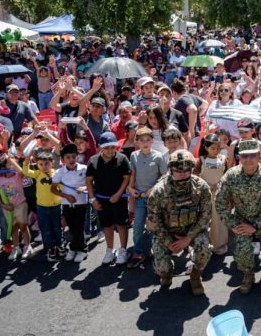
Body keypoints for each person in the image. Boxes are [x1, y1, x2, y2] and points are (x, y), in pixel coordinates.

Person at [215, 139, 261, 294]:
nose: (248, 159)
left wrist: (255, 226)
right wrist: (233, 224)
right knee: (242, 254)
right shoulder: (231, 176)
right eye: (244, 156)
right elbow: (220, 202)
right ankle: (248, 273)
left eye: (252, 155)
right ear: (239, 157)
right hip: (241, 222)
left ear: (259, 156)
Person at [147, 149, 212, 296]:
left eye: (187, 169)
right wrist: (169, 241)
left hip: (192, 231)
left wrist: (188, 238)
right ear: (170, 169)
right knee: (161, 267)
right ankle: (166, 273)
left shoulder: (201, 187)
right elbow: (154, 221)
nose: (182, 173)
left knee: (204, 249)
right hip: (167, 233)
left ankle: (195, 275)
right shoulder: (158, 191)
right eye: (178, 169)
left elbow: (206, 215)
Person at [86, 132, 132, 265]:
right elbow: (89, 181)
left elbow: (126, 178)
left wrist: (118, 194)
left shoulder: (122, 158)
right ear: (101, 147)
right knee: (107, 225)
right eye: (106, 148)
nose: (110, 150)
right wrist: (92, 199)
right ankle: (110, 250)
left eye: (113, 147)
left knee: (122, 225)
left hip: (120, 198)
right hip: (101, 199)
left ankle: (123, 250)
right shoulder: (93, 160)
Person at [127, 127, 168, 268]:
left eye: (148, 140)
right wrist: (131, 188)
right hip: (139, 197)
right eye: (142, 140)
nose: (145, 143)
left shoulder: (158, 156)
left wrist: (152, 189)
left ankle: (152, 249)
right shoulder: (134, 156)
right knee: (138, 226)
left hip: (154, 198)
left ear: (152, 141)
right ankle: (137, 252)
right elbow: (132, 174)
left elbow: (165, 176)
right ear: (137, 142)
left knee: (153, 225)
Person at [22, 150, 63, 262]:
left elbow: (63, 188)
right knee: (46, 229)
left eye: (47, 164)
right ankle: (50, 249)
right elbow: (25, 171)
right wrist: (27, 158)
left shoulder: (57, 173)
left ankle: (60, 246)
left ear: (52, 162)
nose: (44, 166)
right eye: (40, 164)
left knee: (57, 228)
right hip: (42, 207)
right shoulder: (38, 174)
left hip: (56, 206)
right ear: (37, 164)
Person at [51, 143, 89, 262]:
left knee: (79, 227)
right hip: (66, 204)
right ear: (63, 159)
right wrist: (66, 196)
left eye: (74, 156)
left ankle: (82, 249)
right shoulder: (59, 172)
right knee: (71, 227)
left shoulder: (84, 168)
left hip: (81, 203)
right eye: (68, 157)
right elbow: (53, 189)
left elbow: (92, 183)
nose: (71, 159)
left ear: (77, 157)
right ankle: (73, 248)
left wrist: (84, 188)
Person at [194, 133, 229, 255]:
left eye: (218, 148)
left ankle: (219, 246)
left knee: (219, 221)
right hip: (205, 194)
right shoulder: (201, 160)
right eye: (212, 148)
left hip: (219, 194)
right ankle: (203, 245)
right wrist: (205, 186)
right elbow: (195, 177)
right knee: (204, 220)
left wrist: (219, 185)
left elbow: (227, 176)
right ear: (206, 148)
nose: (216, 151)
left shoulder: (223, 160)